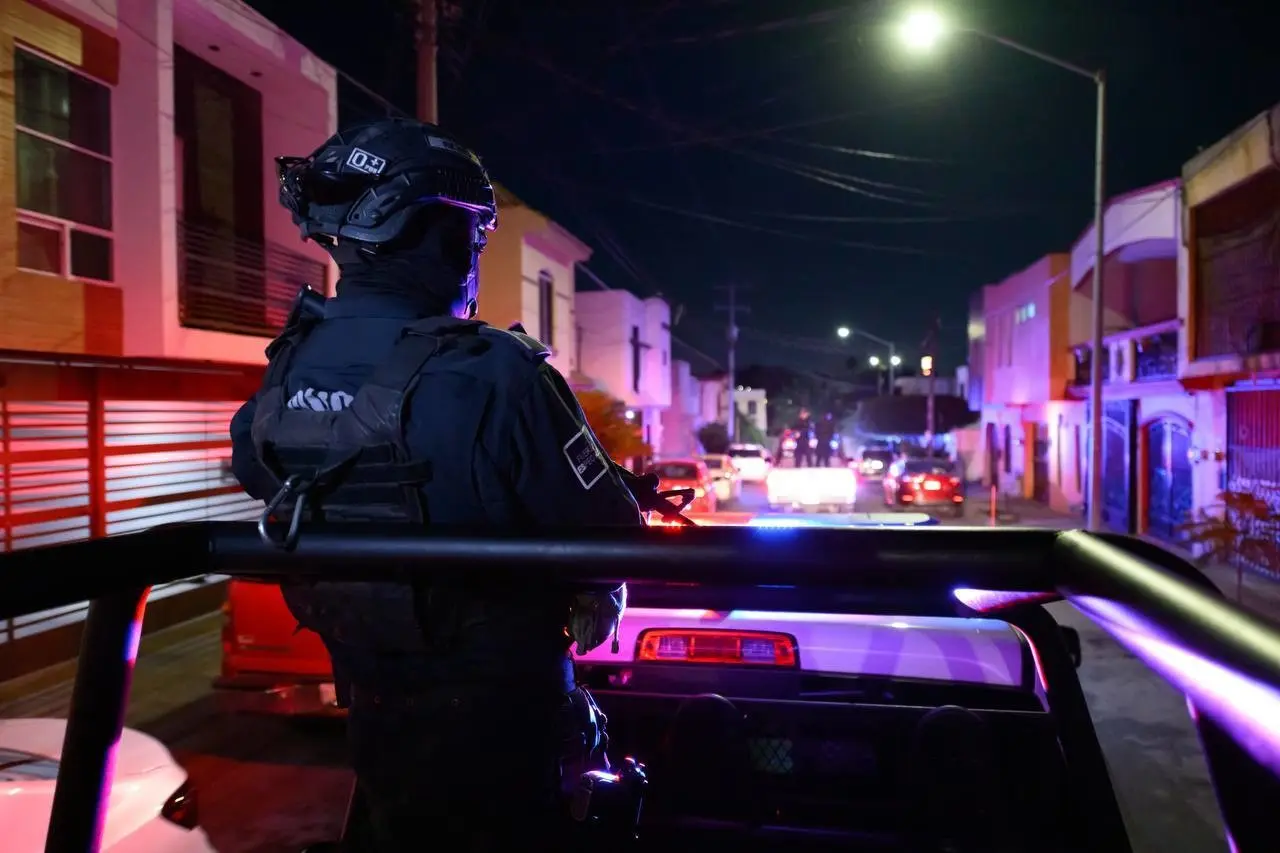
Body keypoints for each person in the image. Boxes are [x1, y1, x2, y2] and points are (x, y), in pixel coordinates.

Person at [228, 117, 643, 852]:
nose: (475, 252)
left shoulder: (286, 368)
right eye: (473, 234)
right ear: (425, 230)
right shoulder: (497, 373)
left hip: (375, 709)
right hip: (505, 728)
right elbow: (614, 539)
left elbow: (258, 470)